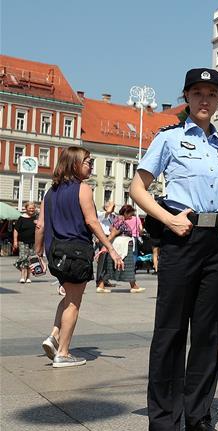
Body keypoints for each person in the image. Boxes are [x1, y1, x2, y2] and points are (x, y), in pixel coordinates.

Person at [129, 68, 218, 431]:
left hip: (215, 243)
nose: (204, 99)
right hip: (182, 235)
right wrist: (166, 218)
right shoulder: (169, 139)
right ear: (187, 97)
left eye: (211, 93)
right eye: (197, 93)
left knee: (208, 333)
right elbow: (137, 188)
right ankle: (162, 421)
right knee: (172, 331)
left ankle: (197, 415)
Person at [34, 148, 123, 367]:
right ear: (74, 164)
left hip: (55, 253)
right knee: (74, 302)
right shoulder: (82, 189)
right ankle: (63, 354)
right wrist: (109, 247)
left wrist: (37, 253)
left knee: (67, 298)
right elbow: (92, 221)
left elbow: (41, 225)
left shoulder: (50, 192)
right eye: (87, 162)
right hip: (76, 251)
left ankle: (54, 336)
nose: (90, 166)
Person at [105, 204, 146, 293]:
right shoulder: (120, 220)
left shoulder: (119, 220)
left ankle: (134, 286)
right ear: (126, 213)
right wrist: (106, 246)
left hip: (123, 244)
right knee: (128, 265)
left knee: (124, 265)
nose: (132, 216)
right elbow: (113, 233)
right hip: (122, 245)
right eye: (131, 214)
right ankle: (134, 286)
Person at [95, 200, 118, 292]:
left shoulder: (113, 216)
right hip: (103, 237)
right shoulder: (100, 214)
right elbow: (107, 212)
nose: (113, 209)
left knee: (109, 261)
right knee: (102, 260)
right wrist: (110, 206)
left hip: (111, 238)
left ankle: (105, 280)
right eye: (112, 207)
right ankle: (100, 282)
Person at [13, 202, 38, 284]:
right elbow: (16, 230)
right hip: (23, 242)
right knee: (23, 258)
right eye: (30, 208)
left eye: (33, 208)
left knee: (30, 260)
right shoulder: (21, 218)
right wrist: (15, 241)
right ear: (26, 209)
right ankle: (22, 276)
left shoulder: (36, 218)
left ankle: (28, 277)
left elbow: (41, 228)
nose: (31, 210)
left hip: (33, 242)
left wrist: (38, 224)